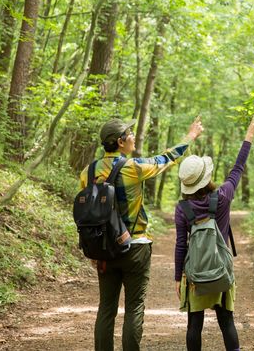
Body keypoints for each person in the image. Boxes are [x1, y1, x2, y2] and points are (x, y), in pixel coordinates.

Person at [80, 116, 203, 351]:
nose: (134, 136)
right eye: (130, 133)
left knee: (106, 308)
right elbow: (166, 158)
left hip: (103, 249)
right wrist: (191, 136)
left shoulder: (88, 171)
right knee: (134, 307)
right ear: (120, 141)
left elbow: (89, 213)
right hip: (135, 246)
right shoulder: (133, 168)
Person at [174, 117, 254, 351]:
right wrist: (248, 136)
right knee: (226, 321)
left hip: (196, 273)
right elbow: (237, 168)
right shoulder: (223, 196)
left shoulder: (183, 209)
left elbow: (181, 244)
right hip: (221, 268)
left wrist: (177, 277)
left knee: (194, 325)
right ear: (207, 177)